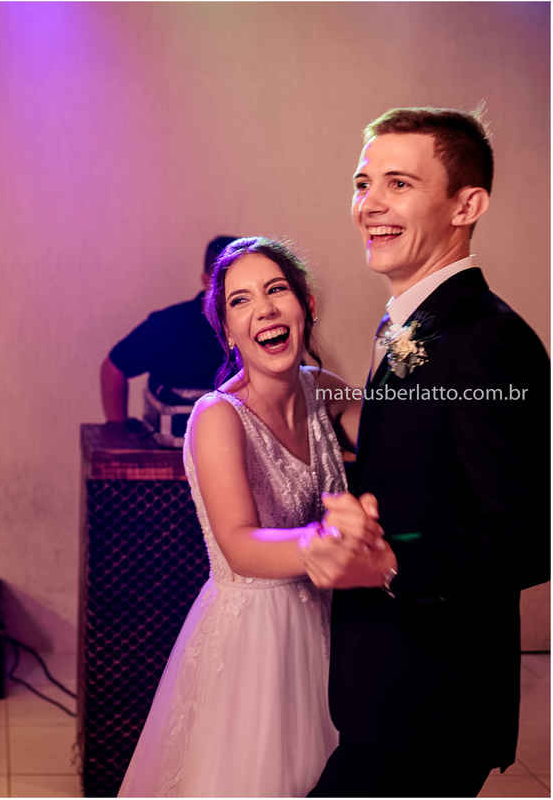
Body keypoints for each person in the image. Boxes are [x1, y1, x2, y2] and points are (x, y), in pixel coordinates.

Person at [305, 108, 550, 797]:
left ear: (466, 206)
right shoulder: (421, 325)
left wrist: (389, 562)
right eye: (364, 183)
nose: (369, 204)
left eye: (400, 184)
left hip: (435, 700)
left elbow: (533, 533)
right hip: (390, 691)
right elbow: (432, 461)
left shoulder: (488, 340)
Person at [118, 237, 394, 797]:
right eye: (240, 301)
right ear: (227, 330)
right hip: (253, 639)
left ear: (306, 305)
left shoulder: (322, 392)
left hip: (325, 629)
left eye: (276, 290)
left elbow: (398, 439)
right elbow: (240, 546)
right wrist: (325, 542)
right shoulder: (217, 417)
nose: (263, 310)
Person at [100, 235, 239, 423]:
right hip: (170, 440)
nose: (235, 291)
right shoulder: (168, 325)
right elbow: (113, 369)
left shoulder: (257, 327)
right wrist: (118, 431)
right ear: (206, 280)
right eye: (225, 281)